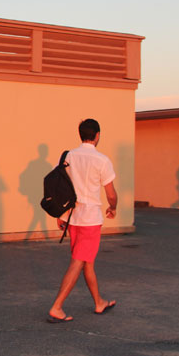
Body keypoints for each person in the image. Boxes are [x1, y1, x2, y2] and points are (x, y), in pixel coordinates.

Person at [47, 118, 118, 323]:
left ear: (81, 135)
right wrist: (112, 208)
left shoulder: (68, 156)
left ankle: (99, 302)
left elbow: (60, 187)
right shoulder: (102, 160)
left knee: (87, 261)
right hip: (90, 219)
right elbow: (111, 194)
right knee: (79, 261)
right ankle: (57, 306)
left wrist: (61, 216)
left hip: (73, 218)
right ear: (97, 135)